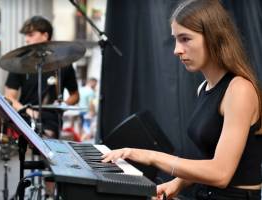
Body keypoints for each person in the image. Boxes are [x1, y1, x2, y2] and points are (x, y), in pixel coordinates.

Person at [102, 0, 262, 199]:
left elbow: (220, 173)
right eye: (176, 39)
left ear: (213, 37)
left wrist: (151, 156)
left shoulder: (239, 90)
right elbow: (210, 157)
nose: (177, 50)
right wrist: (176, 183)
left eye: (185, 39)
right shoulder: (204, 88)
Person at [4, 16, 79, 198]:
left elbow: (75, 96)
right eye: (26, 36)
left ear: (45, 35)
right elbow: (9, 96)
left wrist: (62, 103)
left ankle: (49, 193)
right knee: (42, 140)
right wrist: (26, 110)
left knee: (50, 144)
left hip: (51, 117)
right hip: (25, 115)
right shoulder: (20, 63)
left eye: (31, 34)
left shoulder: (64, 65)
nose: (27, 39)